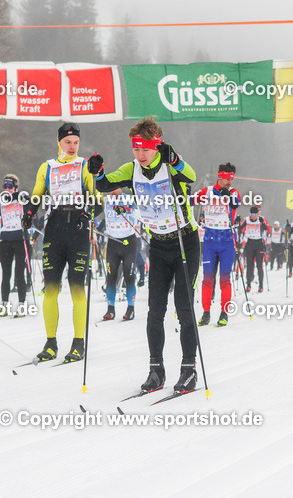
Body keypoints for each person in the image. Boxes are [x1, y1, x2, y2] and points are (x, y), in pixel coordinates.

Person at [91, 117, 202, 394]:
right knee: (155, 311)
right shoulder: (132, 169)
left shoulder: (170, 164)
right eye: (136, 150)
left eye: (145, 150)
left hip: (184, 242)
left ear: (156, 147)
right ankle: (156, 371)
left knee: (184, 309)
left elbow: (190, 175)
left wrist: (173, 158)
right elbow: (106, 184)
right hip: (158, 245)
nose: (140, 155)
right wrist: (98, 173)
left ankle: (189, 370)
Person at [23, 122, 101, 363]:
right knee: (51, 288)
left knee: (77, 286)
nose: (72, 146)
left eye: (76, 142)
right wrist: (29, 212)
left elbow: (98, 199)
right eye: (67, 142)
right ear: (59, 142)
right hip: (55, 226)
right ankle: (50, 343)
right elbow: (37, 193)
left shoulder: (85, 165)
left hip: (78, 226)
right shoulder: (47, 167)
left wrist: (90, 213)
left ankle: (79, 343)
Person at [194, 163, 241, 326]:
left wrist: (226, 194)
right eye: (227, 179)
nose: (229, 182)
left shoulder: (233, 192)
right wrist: (184, 193)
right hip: (209, 243)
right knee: (207, 279)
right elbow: (191, 200)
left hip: (227, 243)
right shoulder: (207, 191)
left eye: (231, 179)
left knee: (225, 280)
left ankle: (224, 313)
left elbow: (235, 204)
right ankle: (206, 313)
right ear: (220, 178)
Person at [0, 175, 30, 316]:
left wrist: (27, 200)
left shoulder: (21, 197)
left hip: (20, 240)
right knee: (5, 274)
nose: (7, 189)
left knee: (19, 274)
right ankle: (4, 305)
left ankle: (21, 305)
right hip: (5, 240)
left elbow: (32, 206)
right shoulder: (2, 200)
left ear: (15, 187)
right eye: (5, 187)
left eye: (9, 187)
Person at [100, 181, 141, 321]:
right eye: (109, 189)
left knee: (129, 277)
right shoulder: (105, 200)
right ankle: (110, 310)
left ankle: (131, 309)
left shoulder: (129, 199)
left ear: (120, 188)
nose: (111, 192)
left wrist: (125, 209)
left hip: (128, 242)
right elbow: (94, 211)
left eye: (113, 189)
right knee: (110, 277)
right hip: (113, 242)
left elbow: (138, 215)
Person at [238, 206, 269, 292]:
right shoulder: (247, 220)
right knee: (249, 266)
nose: (253, 216)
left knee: (259, 266)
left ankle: (261, 285)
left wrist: (263, 224)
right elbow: (240, 228)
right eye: (252, 214)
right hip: (250, 243)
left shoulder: (261, 219)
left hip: (259, 243)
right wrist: (238, 222)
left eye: (255, 214)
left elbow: (266, 229)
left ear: (257, 214)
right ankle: (248, 285)